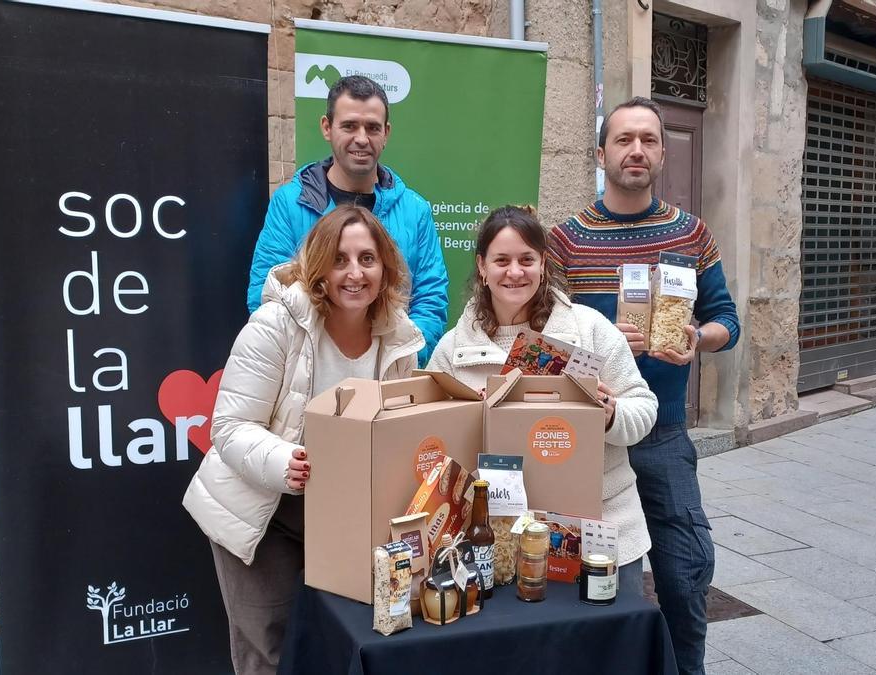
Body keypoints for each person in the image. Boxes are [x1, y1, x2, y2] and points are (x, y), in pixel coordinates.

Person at [184, 205, 424, 675]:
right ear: (318, 267)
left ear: (386, 267)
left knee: (338, 639)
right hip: (262, 507)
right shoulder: (276, 326)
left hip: (340, 512)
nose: (355, 273)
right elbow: (228, 426)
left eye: (367, 259)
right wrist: (284, 461)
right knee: (267, 652)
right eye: (340, 259)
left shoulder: (399, 339)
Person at [549, 97, 740, 675]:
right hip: (588, 436)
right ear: (601, 152)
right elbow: (545, 337)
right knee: (590, 580)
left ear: (661, 152)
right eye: (624, 139)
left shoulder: (691, 235)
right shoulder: (566, 240)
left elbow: (727, 320)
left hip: (662, 433)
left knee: (684, 574)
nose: (637, 150)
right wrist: (598, 348)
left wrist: (695, 337)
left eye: (649, 140)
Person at [427, 205, 658, 594]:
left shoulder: (588, 330)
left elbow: (644, 406)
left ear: (543, 264)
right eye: (501, 260)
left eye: (526, 259)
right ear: (482, 267)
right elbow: (435, 439)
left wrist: (611, 413)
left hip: (598, 527)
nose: (514, 272)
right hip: (499, 545)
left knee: (611, 649)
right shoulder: (453, 349)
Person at [247, 75, 448, 364]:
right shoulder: (291, 204)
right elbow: (266, 294)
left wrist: (404, 357)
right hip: (308, 372)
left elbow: (430, 298)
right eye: (350, 126)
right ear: (327, 128)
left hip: (387, 376)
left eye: (373, 128)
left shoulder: (415, 211)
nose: (362, 139)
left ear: (386, 133)